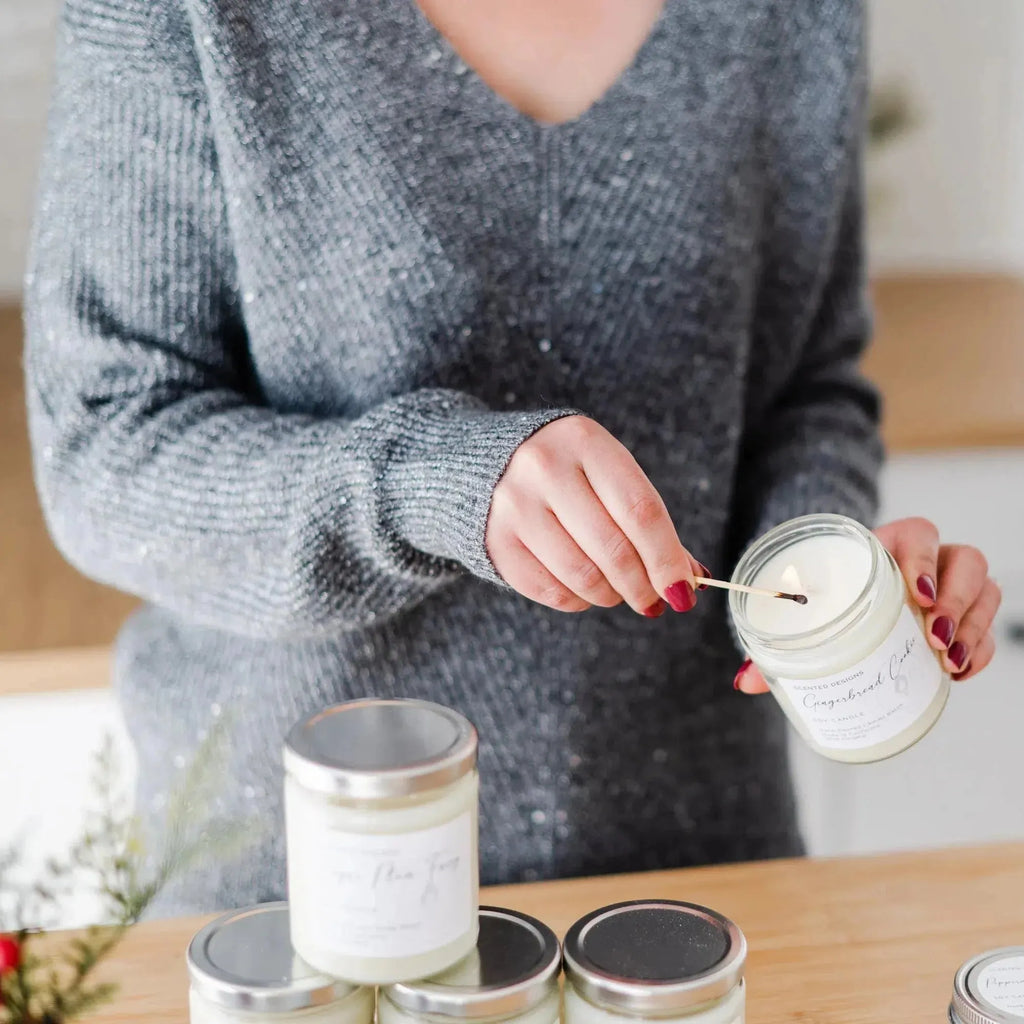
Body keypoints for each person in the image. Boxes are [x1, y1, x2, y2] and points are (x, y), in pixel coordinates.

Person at [24, 0, 1000, 914]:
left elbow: (806, 386)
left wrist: (815, 584)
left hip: (700, 891)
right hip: (306, 907)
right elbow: (106, 444)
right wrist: (430, 484)